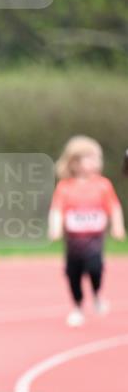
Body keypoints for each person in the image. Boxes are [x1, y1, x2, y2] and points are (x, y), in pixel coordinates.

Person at [48, 135, 125, 326]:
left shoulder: (103, 185)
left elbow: (114, 207)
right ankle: (77, 307)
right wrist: (55, 228)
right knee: (73, 275)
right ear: (74, 162)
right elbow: (57, 210)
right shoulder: (65, 187)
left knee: (95, 268)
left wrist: (118, 226)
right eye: (88, 158)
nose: (94, 163)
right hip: (73, 242)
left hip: (94, 240)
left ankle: (97, 295)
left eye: (96, 158)